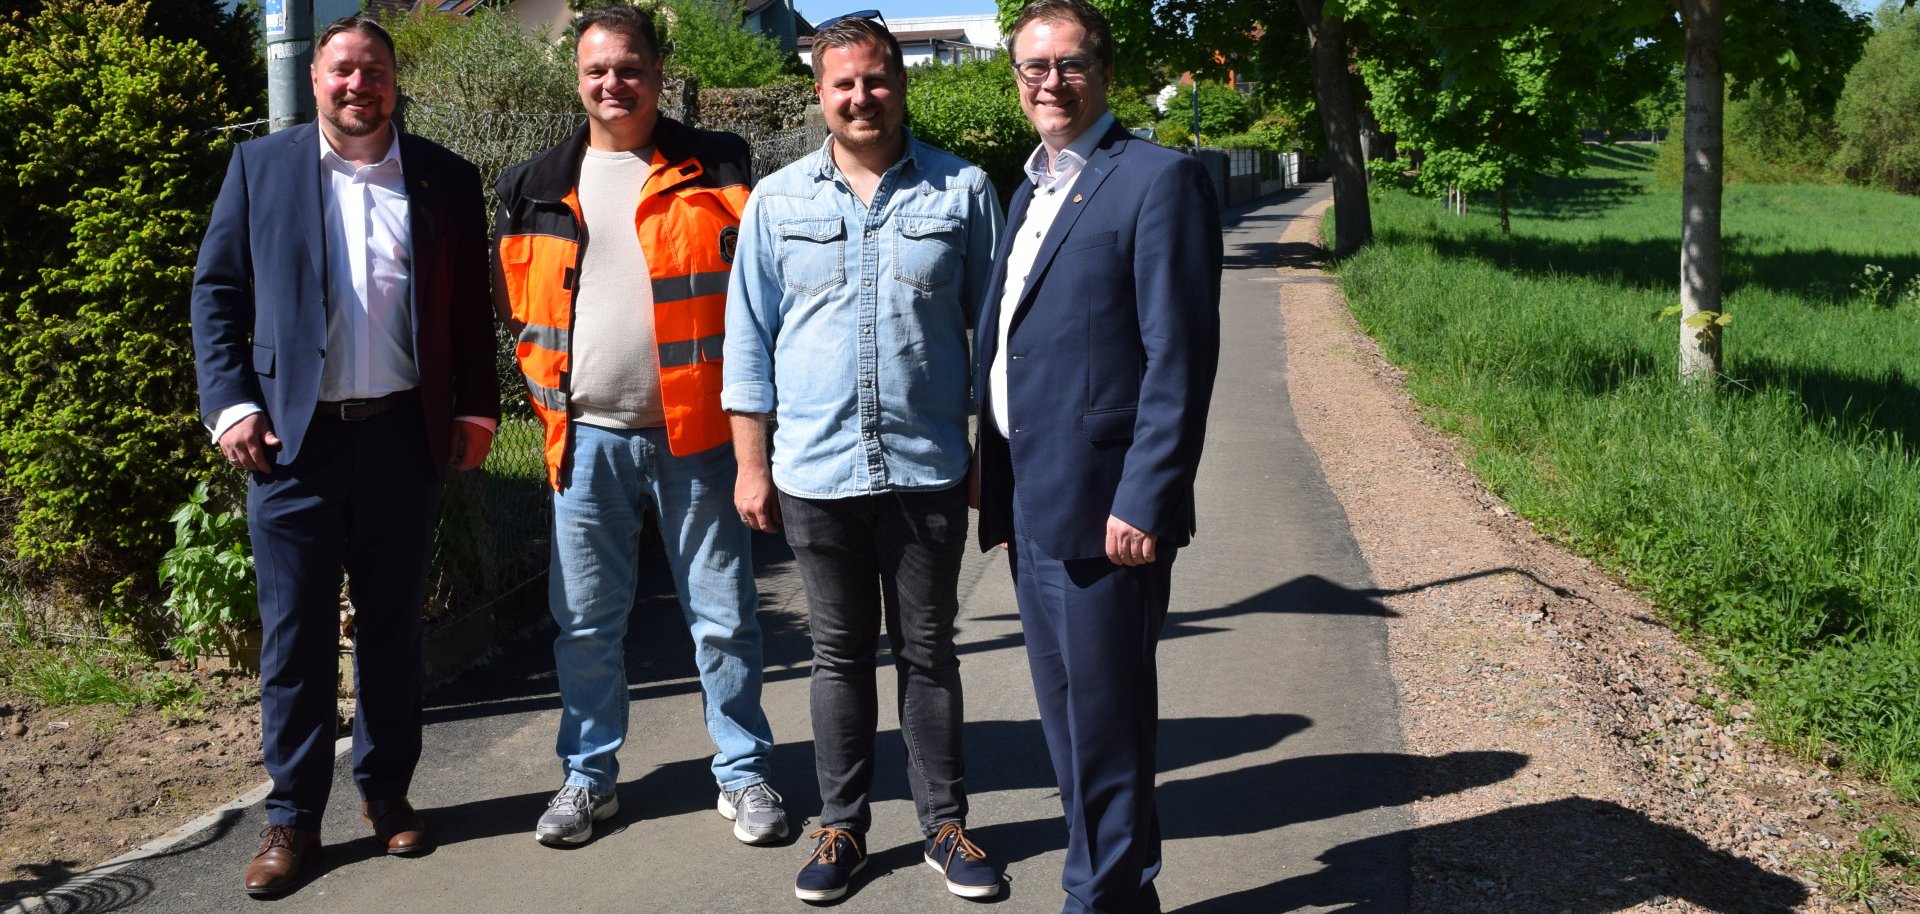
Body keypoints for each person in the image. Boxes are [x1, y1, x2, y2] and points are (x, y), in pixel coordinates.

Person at [189, 15, 499, 896]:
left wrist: (475, 409)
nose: (358, 85)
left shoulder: (444, 177)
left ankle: (388, 795)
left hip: (406, 438)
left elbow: (470, 311)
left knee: (396, 633)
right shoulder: (262, 168)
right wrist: (232, 405)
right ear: (316, 80)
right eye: (342, 72)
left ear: (397, 82)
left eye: (374, 71)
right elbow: (216, 293)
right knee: (294, 641)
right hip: (294, 444)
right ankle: (292, 820)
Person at [723, 13, 1006, 904]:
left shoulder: (961, 191)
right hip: (815, 472)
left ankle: (946, 827)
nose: (861, 96)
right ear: (819, 93)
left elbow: (998, 340)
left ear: (902, 83)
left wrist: (988, 456)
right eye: (842, 83)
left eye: (876, 79)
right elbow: (747, 344)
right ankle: (842, 828)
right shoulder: (776, 200)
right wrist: (751, 466)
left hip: (925, 468)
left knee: (929, 654)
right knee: (838, 658)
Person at [492, 3, 784, 849]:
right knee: (585, 624)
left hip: (697, 438)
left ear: (657, 72)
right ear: (576, 79)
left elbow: (754, 303)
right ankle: (589, 779)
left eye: (628, 67)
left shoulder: (720, 164)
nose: (612, 83)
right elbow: (521, 311)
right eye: (596, 70)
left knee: (724, 616)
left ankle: (743, 771)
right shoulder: (534, 184)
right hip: (585, 441)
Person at [973, 1, 1222, 911]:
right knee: (1070, 726)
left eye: (1068, 64)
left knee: (1109, 727)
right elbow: (1016, 343)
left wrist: (1147, 499)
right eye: (1033, 68)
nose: (1050, 82)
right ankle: (1120, 894)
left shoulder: (1159, 180)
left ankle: (1104, 899)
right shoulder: (1028, 185)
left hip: (1108, 509)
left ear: (1103, 71)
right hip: (1034, 505)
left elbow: (1180, 357)